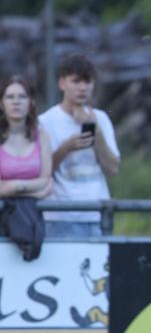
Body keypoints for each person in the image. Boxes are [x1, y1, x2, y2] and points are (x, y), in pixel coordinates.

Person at [40, 55, 120, 237]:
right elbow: (41, 172)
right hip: (60, 217)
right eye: (76, 81)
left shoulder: (101, 119)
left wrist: (96, 131)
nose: (82, 88)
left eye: (87, 81)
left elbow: (113, 170)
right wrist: (65, 148)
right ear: (62, 83)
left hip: (98, 214)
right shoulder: (45, 121)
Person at [0, 76, 53, 201]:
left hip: (31, 216)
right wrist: (34, 193)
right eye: (10, 97)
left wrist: (17, 187)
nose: (16, 101)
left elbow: (47, 181)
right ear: (1, 103)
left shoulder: (42, 135)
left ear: (31, 102)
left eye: (22, 96)